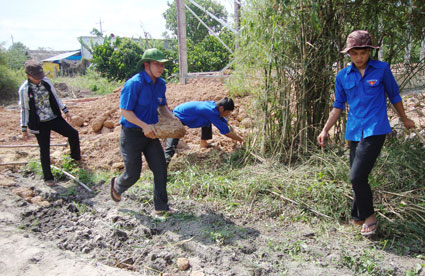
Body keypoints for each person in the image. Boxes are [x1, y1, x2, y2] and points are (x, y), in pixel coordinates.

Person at [317, 30, 415, 236]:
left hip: (376, 128)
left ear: (370, 51)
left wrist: (405, 119)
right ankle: (357, 216)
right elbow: (338, 106)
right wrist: (325, 129)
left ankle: (370, 218)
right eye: (354, 54)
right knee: (357, 176)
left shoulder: (382, 69)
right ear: (348, 54)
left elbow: (394, 95)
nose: (359, 57)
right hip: (353, 131)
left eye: (363, 53)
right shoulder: (342, 76)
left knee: (356, 176)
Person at [110, 48, 176, 215]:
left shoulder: (160, 84)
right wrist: (143, 125)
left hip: (151, 133)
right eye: (157, 64)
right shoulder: (134, 84)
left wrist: (173, 118)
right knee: (133, 174)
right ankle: (117, 186)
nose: (161, 68)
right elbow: (125, 111)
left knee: (160, 168)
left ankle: (161, 208)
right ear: (146, 65)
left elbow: (162, 107)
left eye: (162, 65)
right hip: (132, 134)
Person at [18, 60, 81, 186]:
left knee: (73, 133)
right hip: (39, 122)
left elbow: (56, 97)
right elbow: (24, 109)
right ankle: (48, 178)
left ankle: (75, 159)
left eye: (40, 76)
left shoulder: (46, 82)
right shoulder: (24, 89)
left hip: (53, 117)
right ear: (28, 76)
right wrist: (24, 127)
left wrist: (65, 110)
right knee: (44, 149)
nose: (39, 79)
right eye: (36, 77)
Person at [164, 97, 244, 164]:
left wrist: (231, 129)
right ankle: (163, 164)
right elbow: (226, 132)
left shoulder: (213, 106)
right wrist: (241, 140)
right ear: (221, 108)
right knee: (171, 146)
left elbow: (222, 120)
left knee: (206, 121)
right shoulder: (211, 112)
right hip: (175, 118)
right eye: (227, 112)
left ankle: (204, 144)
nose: (228, 115)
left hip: (181, 114)